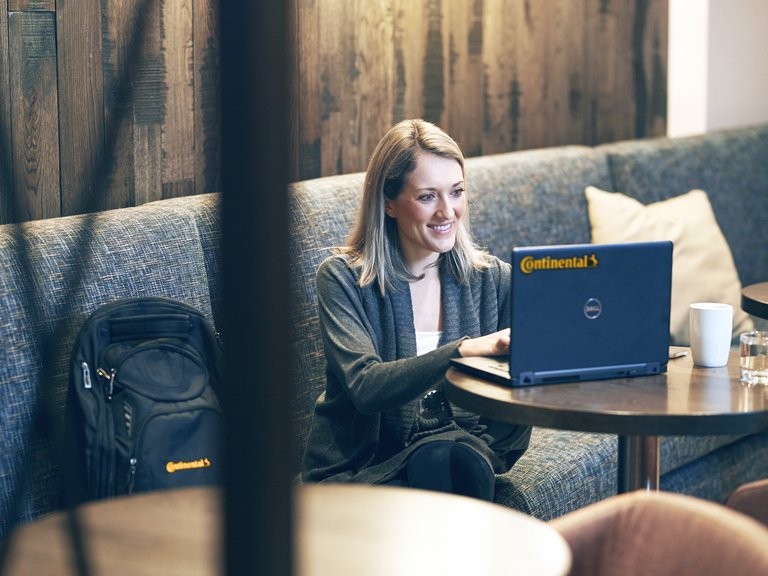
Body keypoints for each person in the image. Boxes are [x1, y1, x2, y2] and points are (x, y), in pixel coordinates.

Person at [301, 119, 531, 501]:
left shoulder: (495, 281)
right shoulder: (342, 280)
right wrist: (462, 350)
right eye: (427, 196)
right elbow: (365, 387)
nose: (447, 212)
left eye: (456, 192)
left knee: (456, 469)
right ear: (388, 203)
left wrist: (481, 452)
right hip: (364, 469)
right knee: (454, 479)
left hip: (462, 460)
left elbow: (522, 394)